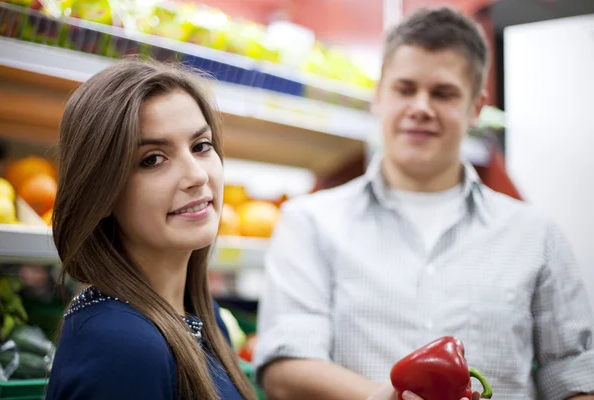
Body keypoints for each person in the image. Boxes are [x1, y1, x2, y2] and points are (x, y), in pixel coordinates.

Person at [253, 6, 594, 400]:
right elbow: (283, 368)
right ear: (378, 96)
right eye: (405, 88)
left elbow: (574, 377)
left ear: (476, 108)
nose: (421, 107)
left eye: (443, 93)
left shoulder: (536, 235)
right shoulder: (309, 221)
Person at [46, 59, 258, 400]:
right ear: (100, 192)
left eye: (201, 146)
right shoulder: (119, 345)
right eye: (153, 159)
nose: (198, 176)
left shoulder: (203, 315)